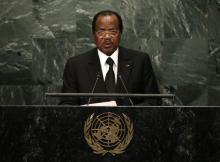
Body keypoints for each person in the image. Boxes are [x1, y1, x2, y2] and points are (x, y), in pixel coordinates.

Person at [60, 10, 161, 106]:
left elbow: (153, 100)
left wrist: (129, 114)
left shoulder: (140, 61)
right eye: (101, 31)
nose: (107, 36)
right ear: (93, 35)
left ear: (120, 34)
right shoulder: (76, 65)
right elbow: (67, 104)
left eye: (113, 31)